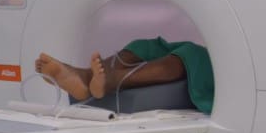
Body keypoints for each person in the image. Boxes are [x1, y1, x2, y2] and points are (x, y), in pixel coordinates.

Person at [34, 36, 214, 113]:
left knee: (191, 53)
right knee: (143, 46)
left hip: (218, 68)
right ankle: (85, 76)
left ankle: (109, 81)